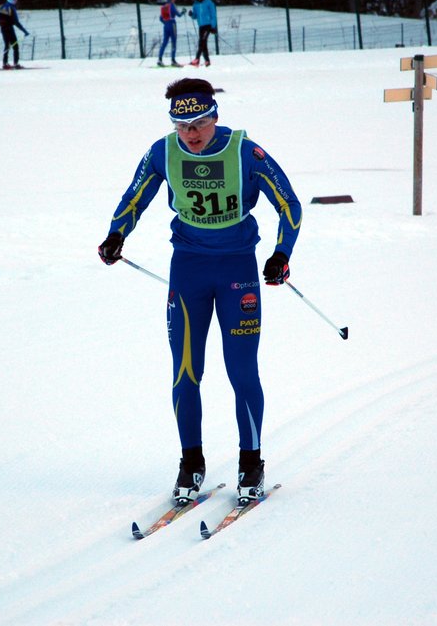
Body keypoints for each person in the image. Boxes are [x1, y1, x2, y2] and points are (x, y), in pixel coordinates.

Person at [97, 78, 302, 507]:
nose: (192, 133)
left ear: (215, 117)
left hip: (238, 271)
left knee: (242, 371)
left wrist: (281, 255)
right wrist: (116, 234)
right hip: (188, 270)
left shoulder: (245, 151)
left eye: (200, 122)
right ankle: (191, 462)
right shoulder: (163, 152)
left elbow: (289, 205)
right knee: (186, 372)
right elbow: (134, 196)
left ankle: (252, 463)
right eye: (182, 124)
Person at [0, 0, 30, 69]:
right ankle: (16, 64)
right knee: (15, 46)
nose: (16, 0)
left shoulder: (2, 6)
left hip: (3, 28)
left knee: (6, 45)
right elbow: (16, 22)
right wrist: (24, 31)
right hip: (9, 28)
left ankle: (5, 63)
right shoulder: (11, 8)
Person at [188, 0, 217, 67]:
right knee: (203, 43)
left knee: (202, 42)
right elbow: (195, 16)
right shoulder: (195, 4)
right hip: (201, 26)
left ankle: (197, 59)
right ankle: (207, 61)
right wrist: (191, 14)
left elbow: (213, 14)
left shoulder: (208, 2)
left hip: (208, 25)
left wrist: (213, 26)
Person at [157, 0, 186, 67]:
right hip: (172, 24)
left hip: (166, 25)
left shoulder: (164, 6)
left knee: (164, 42)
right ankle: (173, 60)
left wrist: (165, 22)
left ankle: (159, 59)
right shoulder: (172, 6)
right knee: (173, 42)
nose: (174, 0)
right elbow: (178, 15)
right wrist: (183, 12)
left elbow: (161, 18)